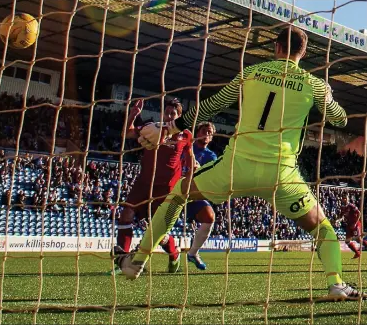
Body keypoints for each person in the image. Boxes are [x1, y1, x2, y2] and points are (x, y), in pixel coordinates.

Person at [119, 26, 365, 300]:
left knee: (178, 196)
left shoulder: (251, 73)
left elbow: (212, 105)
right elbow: (340, 120)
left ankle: (137, 260)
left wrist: (171, 127)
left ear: (276, 48)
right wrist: (329, 97)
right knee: (323, 227)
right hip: (281, 176)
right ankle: (335, 283)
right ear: (303, 52)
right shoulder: (314, 84)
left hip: (235, 167)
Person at [113, 98, 190, 274]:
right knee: (126, 214)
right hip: (144, 182)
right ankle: (122, 260)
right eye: (167, 112)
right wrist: (133, 114)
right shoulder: (152, 127)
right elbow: (128, 133)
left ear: (179, 116)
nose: (169, 116)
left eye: (173, 114)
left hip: (166, 188)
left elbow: (190, 157)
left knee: (157, 231)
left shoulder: (185, 135)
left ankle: (174, 254)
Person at [179, 121, 218, 269]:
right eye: (204, 131)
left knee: (209, 217)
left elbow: (210, 176)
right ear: (197, 133)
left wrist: (199, 169)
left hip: (193, 193)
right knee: (160, 223)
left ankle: (193, 253)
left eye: (209, 132)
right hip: (176, 189)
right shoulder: (186, 146)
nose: (206, 134)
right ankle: (141, 254)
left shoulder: (211, 156)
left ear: (212, 137)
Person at [340, 195, 366, 259]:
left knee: (358, 240)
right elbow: (342, 217)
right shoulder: (342, 207)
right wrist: (337, 220)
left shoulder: (351, 206)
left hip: (355, 225)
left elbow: (359, 213)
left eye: (345, 198)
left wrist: (355, 223)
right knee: (347, 241)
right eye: (343, 198)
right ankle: (357, 253)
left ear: (348, 199)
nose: (344, 199)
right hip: (349, 225)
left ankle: (358, 252)